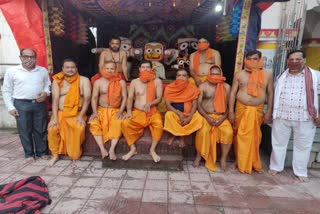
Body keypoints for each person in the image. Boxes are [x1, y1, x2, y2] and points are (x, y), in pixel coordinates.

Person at [269, 50, 320, 182]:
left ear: (305, 60)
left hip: (305, 116)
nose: (294, 62)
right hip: (282, 115)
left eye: (298, 59)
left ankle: (300, 171)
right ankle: (275, 166)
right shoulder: (281, 76)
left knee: (303, 145)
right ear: (287, 61)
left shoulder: (315, 76)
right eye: (291, 59)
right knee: (278, 143)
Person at [229, 50, 273, 174]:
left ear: (260, 59)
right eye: (249, 59)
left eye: (255, 59)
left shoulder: (267, 74)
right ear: (245, 60)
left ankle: (252, 161)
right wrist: (231, 112)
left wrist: (269, 111)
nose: (252, 61)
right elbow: (232, 93)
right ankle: (239, 160)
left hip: (257, 110)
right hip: (241, 108)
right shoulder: (239, 74)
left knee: (255, 137)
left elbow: (270, 93)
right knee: (239, 135)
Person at [2, 48, 51, 163]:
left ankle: (42, 152)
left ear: (36, 58)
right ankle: (29, 154)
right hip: (21, 104)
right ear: (20, 57)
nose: (29, 59)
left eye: (32, 57)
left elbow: (47, 85)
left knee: (41, 129)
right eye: (25, 56)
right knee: (24, 130)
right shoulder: (12, 71)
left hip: (39, 104)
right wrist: (10, 107)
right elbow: (6, 90)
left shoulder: (42, 70)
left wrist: (45, 93)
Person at [47, 59, 91, 166]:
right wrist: (55, 118)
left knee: (79, 128)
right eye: (67, 67)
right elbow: (55, 100)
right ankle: (55, 155)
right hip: (60, 113)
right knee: (52, 129)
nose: (70, 69)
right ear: (63, 68)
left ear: (76, 68)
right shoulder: (57, 80)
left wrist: (81, 116)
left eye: (72, 67)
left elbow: (87, 99)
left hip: (76, 114)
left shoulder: (84, 80)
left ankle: (73, 153)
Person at [121, 60, 163, 162]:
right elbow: (130, 98)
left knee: (159, 125)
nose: (145, 69)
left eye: (147, 67)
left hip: (152, 111)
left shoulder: (157, 81)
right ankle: (133, 149)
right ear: (140, 69)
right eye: (143, 67)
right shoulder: (135, 82)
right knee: (125, 123)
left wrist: (150, 103)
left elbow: (159, 98)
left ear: (151, 69)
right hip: (137, 111)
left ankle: (152, 150)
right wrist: (129, 111)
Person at [193, 65, 233, 172]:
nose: (215, 76)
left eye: (217, 73)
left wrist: (223, 118)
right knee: (203, 132)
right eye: (213, 73)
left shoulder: (227, 87)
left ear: (221, 74)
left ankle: (223, 159)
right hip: (205, 116)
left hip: (221, 117)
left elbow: (229, 106)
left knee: (228, 132)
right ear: (209, 74)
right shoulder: (203, 86)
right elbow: (198, 105)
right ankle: (199, 156)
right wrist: (207, 117)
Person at [89, 61, 127, 160]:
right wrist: (94, 112)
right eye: (107, 68)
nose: (110, 71)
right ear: (103, 69)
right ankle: (102, 149)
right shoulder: (98, 82)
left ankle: (111, 149)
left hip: (115, 110)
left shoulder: (121, 82)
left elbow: (124, 98)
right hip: (101, 110)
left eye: (112, 69)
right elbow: (94, 98)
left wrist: (121, 111)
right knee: (93, 123)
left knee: (118, 123)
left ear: (116, 70)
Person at [163, 69, 203, 147]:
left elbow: (195, 104)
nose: (181, 77)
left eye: (184, 75)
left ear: (188, 78)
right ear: (176, 77)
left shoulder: (192, 88)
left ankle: (177, 135)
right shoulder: (170, 88)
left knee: (199, 118)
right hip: (175, 113)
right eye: (179, 75)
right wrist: (179, 113)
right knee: (168, 115)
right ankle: (181, 136)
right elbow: (168, 105)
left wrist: (189, 117)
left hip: (189, 114)